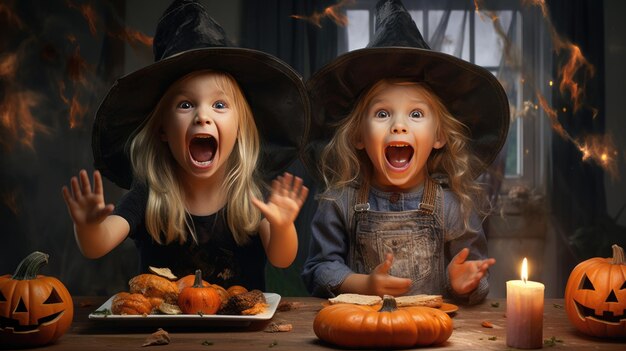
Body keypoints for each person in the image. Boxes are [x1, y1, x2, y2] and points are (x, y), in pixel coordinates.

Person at [62, 0, 310, 291]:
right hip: (161, 329)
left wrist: (281, 227)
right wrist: (88, 227)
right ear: (163, 130)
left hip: (239, 333)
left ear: (240, 127)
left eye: (219, 105)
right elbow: (97, 245)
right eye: (186, 104)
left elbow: (282, 258)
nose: (202, 116)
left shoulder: (251, 195)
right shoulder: (148, 195)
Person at [302, 0, 509, 304]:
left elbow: (477, 282)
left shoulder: (452, 207)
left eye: (415, 114)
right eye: (383, 114)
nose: (399, 126)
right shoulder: (339, 203)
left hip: (431, 338)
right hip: (364, 332)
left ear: (439, 136)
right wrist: (364, 284)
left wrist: (463, 283)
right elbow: (317, 270)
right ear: (359, 135)